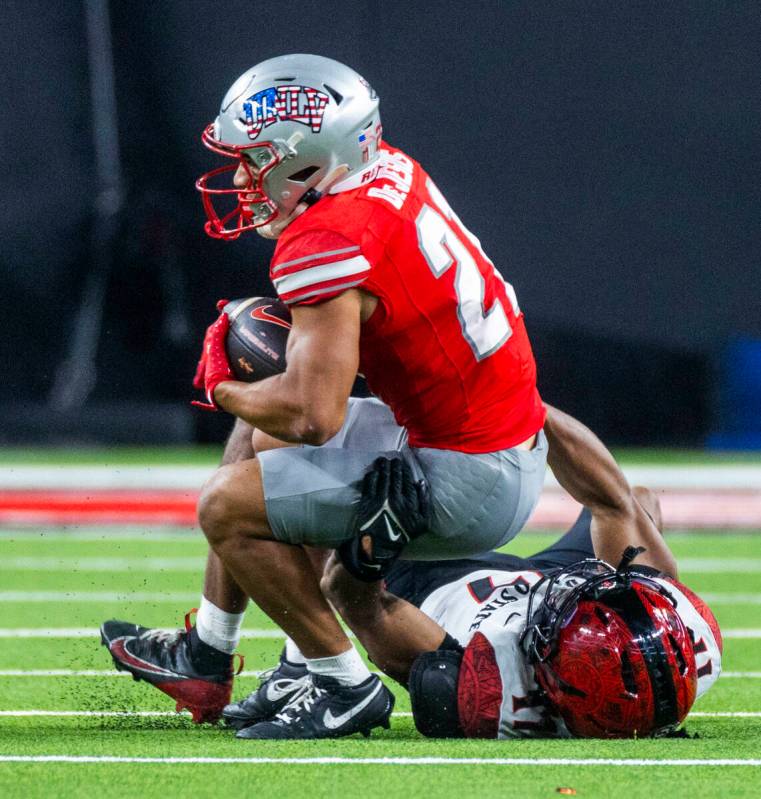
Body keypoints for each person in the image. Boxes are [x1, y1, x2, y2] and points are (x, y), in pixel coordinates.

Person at [101, 53, 547, 740]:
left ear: (305, 161)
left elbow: (314, 415)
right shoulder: (381, 167)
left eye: (255, 161)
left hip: (468, 472)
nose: (244, 179)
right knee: (261, 438)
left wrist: (221, 386)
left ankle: (342, 685)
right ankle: (210, 653)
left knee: (229, 501)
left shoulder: (327, 236)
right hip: (481, 437)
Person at [224, 405, 722, 739]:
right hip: (540, 577)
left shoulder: (492, 690)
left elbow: (358, 600)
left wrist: (370, 547)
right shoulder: (683, 637)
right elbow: (616, 502)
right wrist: (523, 408)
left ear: (555, 679)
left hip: (434, 588)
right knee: (636, 502)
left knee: (275, 442)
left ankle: (299, 664)